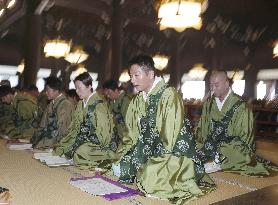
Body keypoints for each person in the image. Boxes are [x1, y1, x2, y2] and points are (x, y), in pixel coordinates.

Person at [112, 55, 214, 204]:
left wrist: (151, 160)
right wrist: (124, 155)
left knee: (149, 178)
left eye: (136, 75)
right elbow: (131, 134)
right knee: (119, 168)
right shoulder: (138, 100)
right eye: (130, 76)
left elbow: (170, 137)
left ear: (151, 74)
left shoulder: (169, 95)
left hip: (172, 151)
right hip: (147, 149)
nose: (132, 80)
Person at [196, 70, 277, 175]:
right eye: (211, 85)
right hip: (212, 143)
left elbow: (245, 137)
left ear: (226, 84)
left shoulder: (241, 106)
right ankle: (215, 159)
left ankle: (219, 162)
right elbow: (203, 129)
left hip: (231, 145)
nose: (212, 88)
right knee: (193, 146)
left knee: (238, 152)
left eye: (216, 85)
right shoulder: (209, 104)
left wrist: (224, 145)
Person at [54, 72, 118, 170]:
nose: (77, 91)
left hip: (98, 142)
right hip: (83, 138)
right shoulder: (80, 104)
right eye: (76, 88)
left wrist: (87, 143)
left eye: (79, 88)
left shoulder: (99, 105)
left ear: (89, 87)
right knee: (61, 147)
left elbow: (105, 134)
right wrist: (68, 140)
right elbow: (75, 127)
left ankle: (107, 157)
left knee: (80, 153)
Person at [31, 76, 74, 148]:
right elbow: (43, 124)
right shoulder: (51, 104)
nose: (46, 93)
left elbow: (62, 129)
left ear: (56, 91)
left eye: (48, 90)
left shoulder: (66, 105)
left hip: (60, 140)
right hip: (50, 136)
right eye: (46, 90)